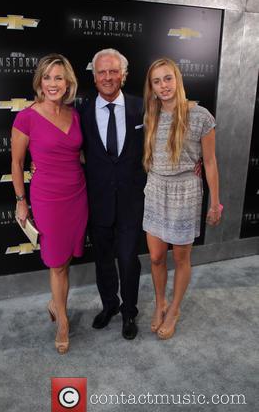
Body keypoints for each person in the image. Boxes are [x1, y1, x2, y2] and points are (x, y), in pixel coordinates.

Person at [11, 53, 88, 354]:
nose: (53, 83)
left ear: (68, 82)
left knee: (65, 260)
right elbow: (17, 163)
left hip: (77, 195)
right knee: (57, 263)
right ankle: (63, 322)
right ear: (39, 82)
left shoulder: (75, 114)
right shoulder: (26, 117)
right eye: (47, 77)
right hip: (48, 199)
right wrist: (21, 201)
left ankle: (54, 303)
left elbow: (76, 153)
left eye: (59, 77)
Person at [143, 57, 221, 340]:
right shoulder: (150, 116)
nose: (163, 85)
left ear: (177, 80)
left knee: (181, 258)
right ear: (151, 87)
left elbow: (210, 162)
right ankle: (160, 301)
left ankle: (174, 309)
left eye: (167, 78)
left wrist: (215, 202)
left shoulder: (200, 116)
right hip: (155, 190)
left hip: (185, 192)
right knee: (155, 257)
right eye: (156, 81)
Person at [80, 48, 146, 340]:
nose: (108, 77)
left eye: (113, 71)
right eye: (101, 72)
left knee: (129, 259)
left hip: (132, 200)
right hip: (98, 201)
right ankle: (111, 305)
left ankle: (130, 311)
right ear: (94, 77)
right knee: (103, 259)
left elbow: (163, 141)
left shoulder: (141, 108)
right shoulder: (80, 111)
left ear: (124, 74)